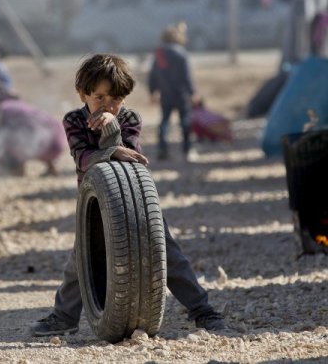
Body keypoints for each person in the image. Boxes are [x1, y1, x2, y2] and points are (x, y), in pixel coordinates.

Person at [29, 54, 226, 337]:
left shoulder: (130, 118)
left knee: (166, 252)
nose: (108, 105)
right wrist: (110, 151)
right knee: (80, 262)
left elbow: (130, 160)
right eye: (99, 97)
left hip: (136, 203)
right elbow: (82, 158)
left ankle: (202, 310)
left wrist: (112, 128)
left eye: (116, 99)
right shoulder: (73, 120)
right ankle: (64, 317)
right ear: (82, 94)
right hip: (94, 203)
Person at [148, 21, 197, 160]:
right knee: (185, 122)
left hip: (166, 94)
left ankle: (162, 149)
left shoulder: (159, 54)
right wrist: (193, 93)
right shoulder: (181, 54)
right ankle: (187, 150)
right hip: (181, 94)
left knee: (164, 122)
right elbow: (186, 76)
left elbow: (153, 75)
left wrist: (153, 92)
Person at [0, 99, 66, 176]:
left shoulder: (4, 109)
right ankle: (51, 167)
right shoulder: (19, 107)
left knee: (13, 137)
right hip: (59, 140)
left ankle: (18, 170)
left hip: (43, 143)